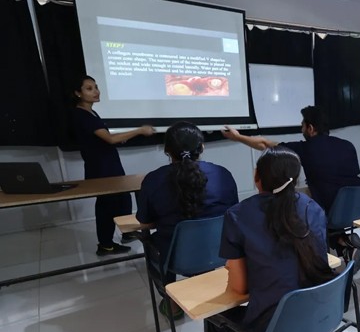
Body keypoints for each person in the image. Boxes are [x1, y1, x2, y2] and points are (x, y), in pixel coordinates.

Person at [212, 146, 335, 332]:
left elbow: (239, 289)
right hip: (320, 322)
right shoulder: (313, 208)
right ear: (296, 179)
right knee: (288, 302)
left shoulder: (239, 216)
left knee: (214, 326)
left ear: (257, 178)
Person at [136, 122, 239, 317]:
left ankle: (172, 304)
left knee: (150, 240)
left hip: (175, 257)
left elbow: (144, 219)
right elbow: (232, 211)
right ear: (202, 147)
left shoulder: (153, 180)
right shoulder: (222, 174)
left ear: (167, 150)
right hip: (219, 252)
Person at [222, 105, 360, 213]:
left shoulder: (305, 149)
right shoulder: (347, 145)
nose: (301, 129)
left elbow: (264, 144)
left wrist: (237, 137)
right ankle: (341, 240)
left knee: (280, 197)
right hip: (357, 204)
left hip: (328, 205)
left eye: (302, 125)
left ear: (311, 128)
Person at [72, 75, 156, 256]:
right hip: (101, 168)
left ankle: (126, 232)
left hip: (109, 165)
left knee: (123, 198)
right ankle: (105, 244)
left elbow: (101, 140)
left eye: (95, 87)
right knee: (107, 205)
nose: (95, 91)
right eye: (89, 88)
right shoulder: (82, 115)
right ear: (78, 93)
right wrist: (140, 130)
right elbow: (109, 139)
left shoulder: (91, 113)